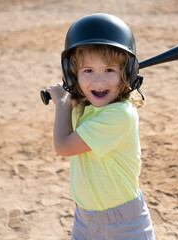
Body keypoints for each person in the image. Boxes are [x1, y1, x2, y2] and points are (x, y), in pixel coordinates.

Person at [45, 13, 155, 239]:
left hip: (123, 226)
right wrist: (72, 95)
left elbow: (63, 146)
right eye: (88, 71)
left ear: (126, 73)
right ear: (72, 74)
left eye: (109, 70)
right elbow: (79, 101)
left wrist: (63, 103)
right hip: (85, 221)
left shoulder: (119, 115)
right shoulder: (86, 106)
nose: (99, 81)